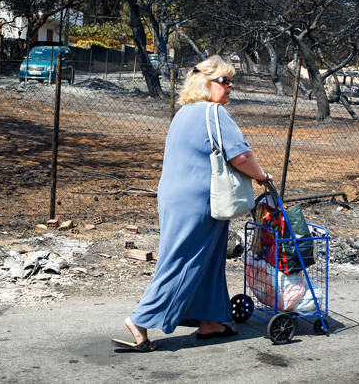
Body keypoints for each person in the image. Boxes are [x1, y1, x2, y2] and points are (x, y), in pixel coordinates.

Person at [112, 55, 273, 352]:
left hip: (177, 196)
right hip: (198, 200)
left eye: (230, 81)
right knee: (183, 260)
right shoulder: (214, 112)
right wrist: (262, 176)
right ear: (206, 84)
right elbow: (241, 157)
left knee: (208, 259)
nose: (230, 86)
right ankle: (140, 319)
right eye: (224, 81)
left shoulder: (184, 114)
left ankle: (211, 321)